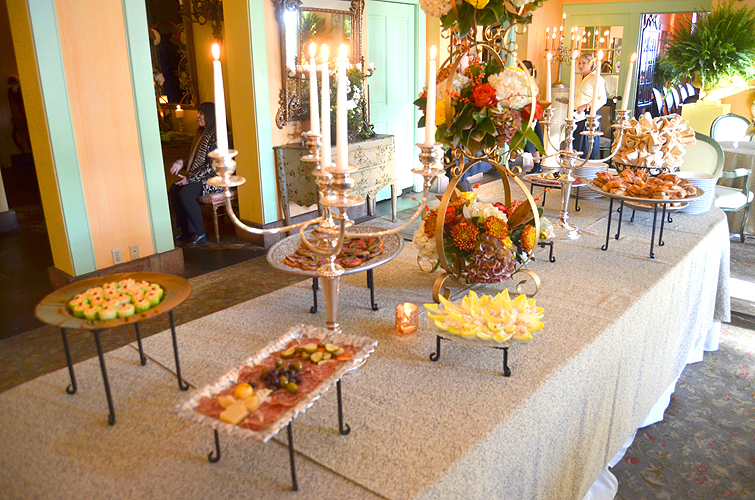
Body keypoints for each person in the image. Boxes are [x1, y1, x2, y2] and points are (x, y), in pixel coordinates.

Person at [169, 102, 222, 246]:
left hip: (215, 179)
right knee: (174, 189)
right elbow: (196, 159)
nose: (198, 116)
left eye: (201, 113)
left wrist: (190, 179)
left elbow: (213, 165)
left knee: (186, 193)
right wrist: (181, 162)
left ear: (210, 115)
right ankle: (186, 231)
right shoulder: (202, 134)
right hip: (202, 177)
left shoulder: (217, 135)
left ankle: (200, 233)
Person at [573, 52, 607, 160]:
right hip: (578, 115)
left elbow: (603, 99)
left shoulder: (596, 78)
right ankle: (577, 166)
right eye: (579, 63)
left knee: (586, 146)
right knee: (576, 144)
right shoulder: (582, 78)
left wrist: (587, 105)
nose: (581, 66)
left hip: (589, 115)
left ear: (591, 64)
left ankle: (586, 167)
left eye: (584, 63)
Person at [521, 60, 544, 173]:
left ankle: (537, 165)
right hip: (523, 114)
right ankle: (511, 162)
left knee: (531, 141)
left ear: (529, 70)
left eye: (522, 69)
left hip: (530, 115)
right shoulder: (522, 81)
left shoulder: (531, 83)